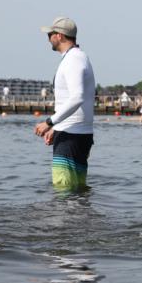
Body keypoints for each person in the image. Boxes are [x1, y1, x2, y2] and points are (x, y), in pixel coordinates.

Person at [34, 17, 95, 190]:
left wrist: (49, 122)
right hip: (76, 132)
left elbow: (77, 97)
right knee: (78, 192)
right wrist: (56, 128)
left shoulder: (73, 60)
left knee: (63, 191)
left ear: (59, 36)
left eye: (50, 34)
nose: (48, 38)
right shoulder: (78, 57)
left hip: (71, 136)